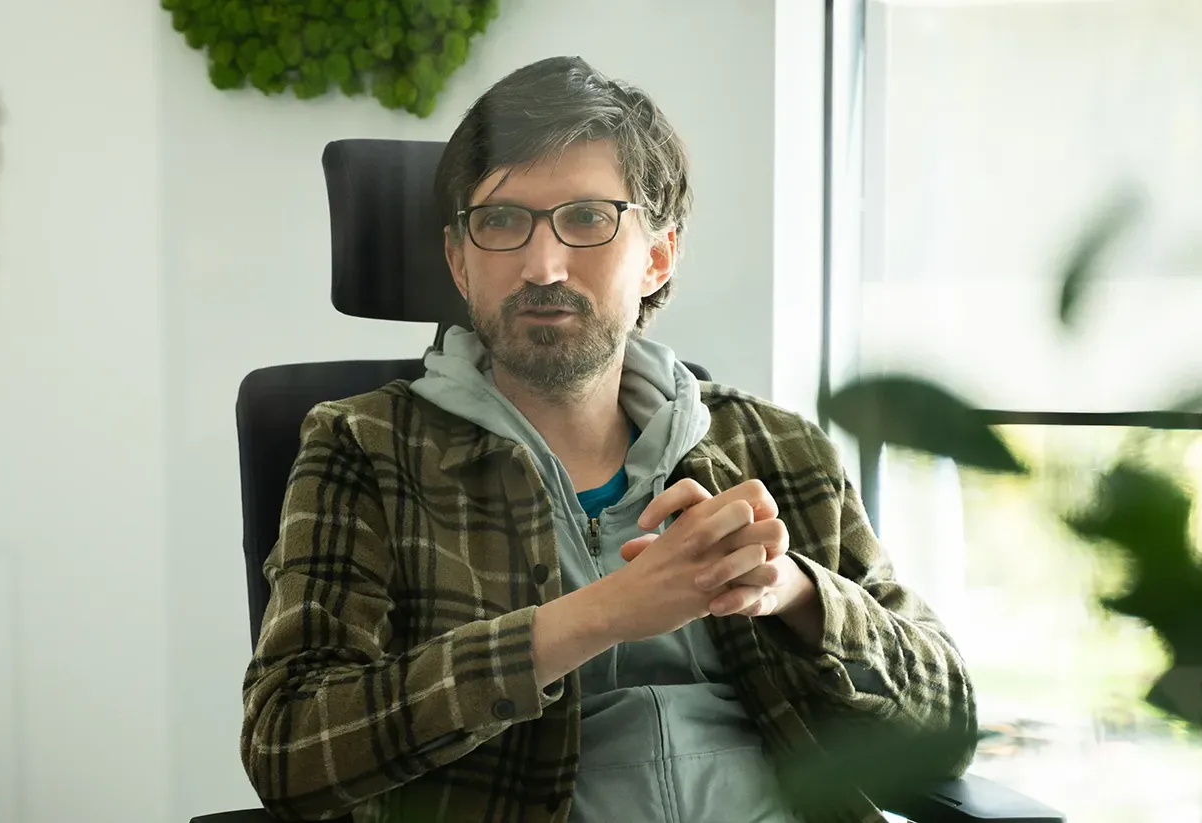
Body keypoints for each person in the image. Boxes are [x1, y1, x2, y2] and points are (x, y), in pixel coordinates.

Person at [240, 56, 976, 823]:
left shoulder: (776, 447)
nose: (543, 265)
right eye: (500, 221)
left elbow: (948, 722)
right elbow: (291, 749)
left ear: (658, 255)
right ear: (458, 260)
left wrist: (792, 590)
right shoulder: (364, 445)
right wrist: (601, 615)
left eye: (589, 218)